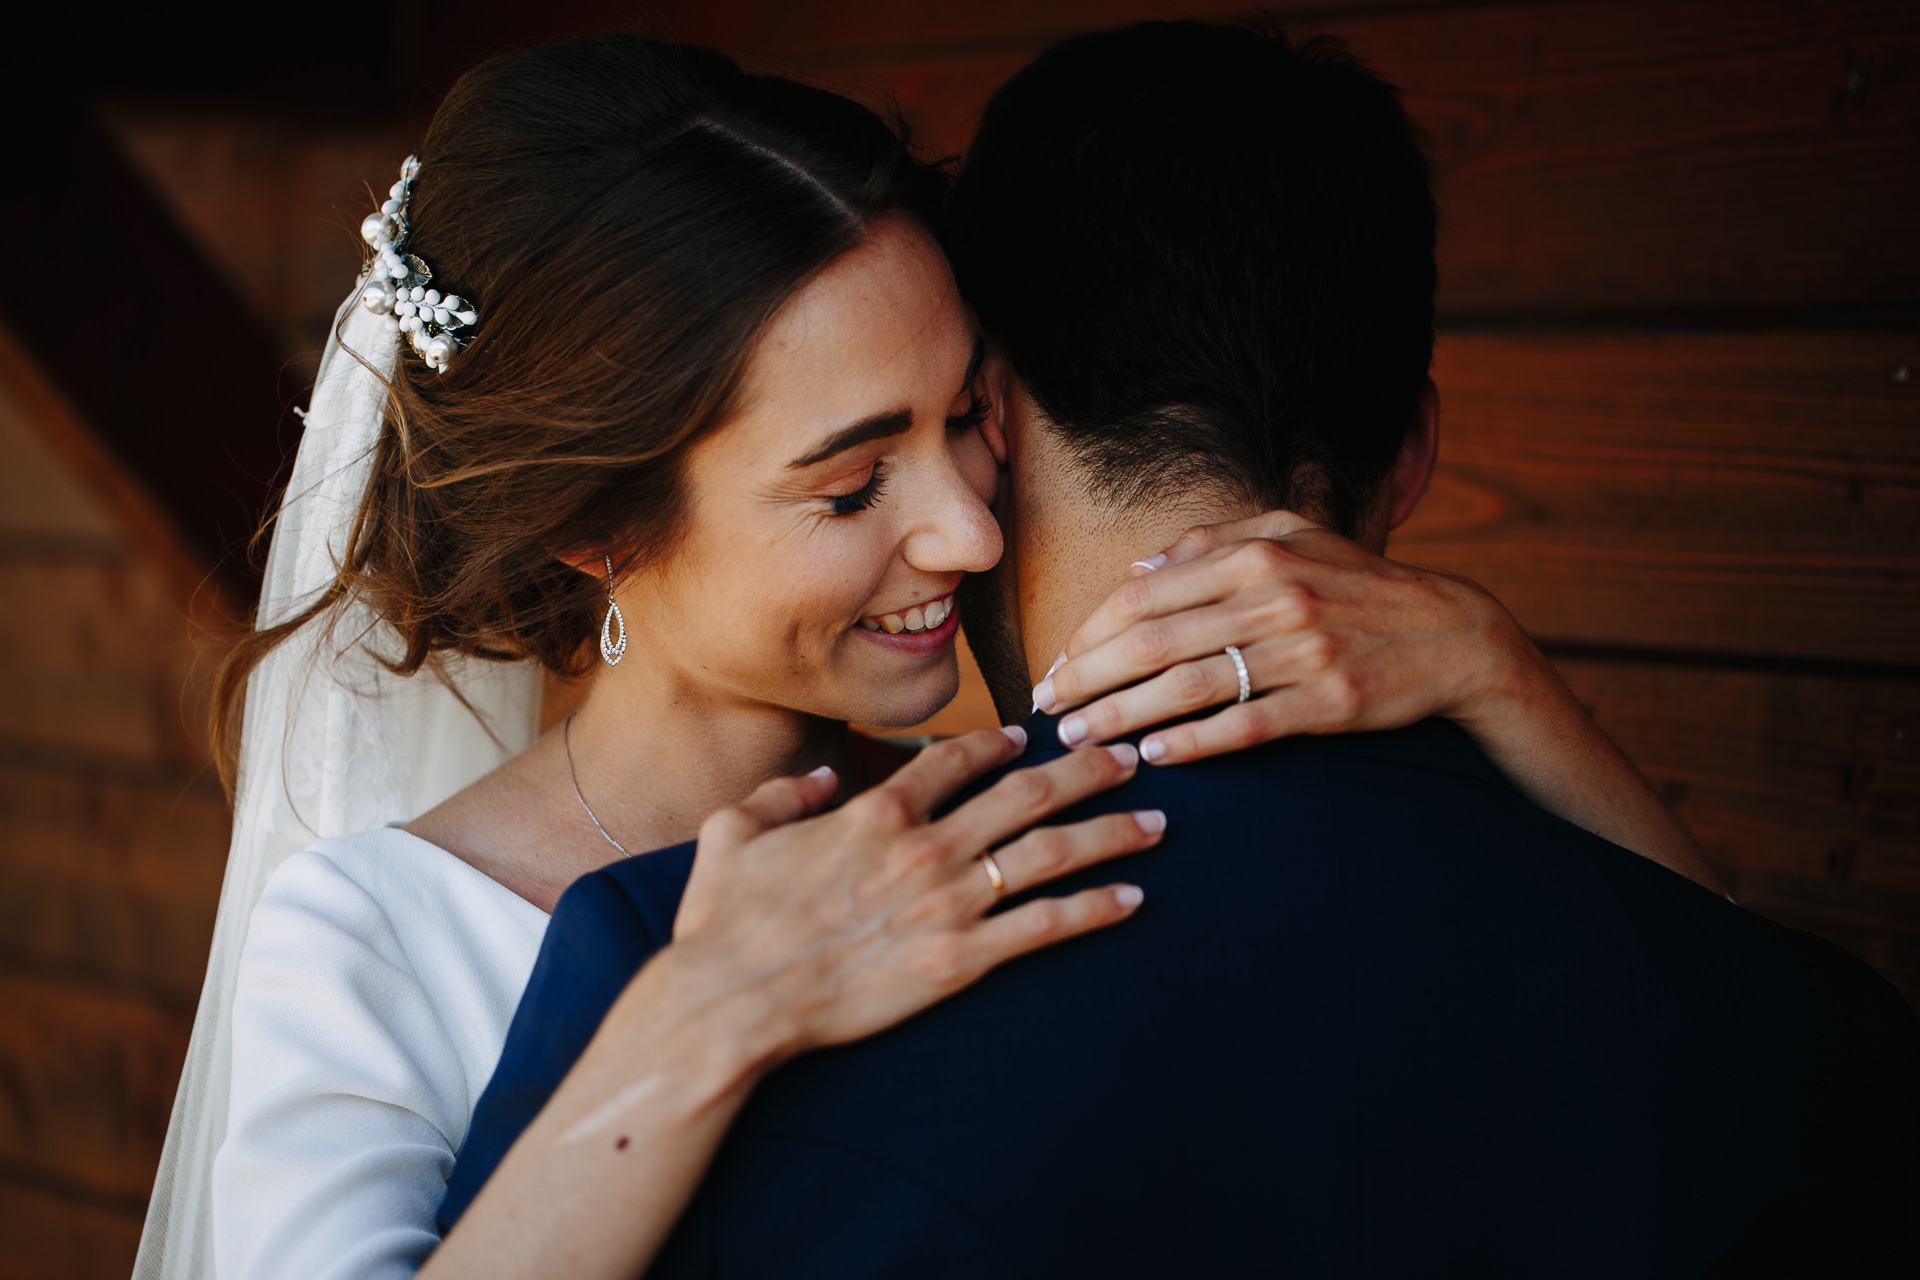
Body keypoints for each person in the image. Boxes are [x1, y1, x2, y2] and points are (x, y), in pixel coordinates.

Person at [138, 30, 1719, 1280]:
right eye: (850, 480)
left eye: (969, 414)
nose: (970, 530)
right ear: (599, 530)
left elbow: (1731, 1039)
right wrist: (708, 1015)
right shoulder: (377, 938)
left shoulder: (1005, 808)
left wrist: (1501, 677)